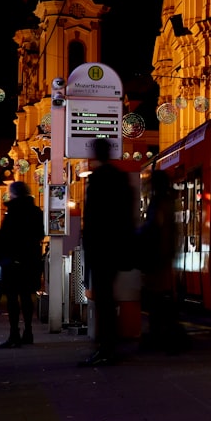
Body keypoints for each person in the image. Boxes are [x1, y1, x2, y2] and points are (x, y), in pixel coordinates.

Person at [80, 137, 135, 366]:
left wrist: (89, 247)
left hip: (101, 248)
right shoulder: (121, 179)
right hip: (116, 247)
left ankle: (105, 348)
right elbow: (127, 216)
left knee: (103, 299)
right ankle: (109, 345)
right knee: (107, 298)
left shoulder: (98, 181)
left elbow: (92, 220)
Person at [137, 170, 187, 353]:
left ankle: (159, 336)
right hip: (164, 257)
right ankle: (162, 334)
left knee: (156, 300)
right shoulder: (170, 202)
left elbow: (154, 228)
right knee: (162, 299)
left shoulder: (158, 203)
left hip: (156, 258)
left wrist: (138, 235)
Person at [0, 182, 45, 348]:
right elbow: (40, 233)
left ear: (13, 194)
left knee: (12, 298)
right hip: (31, 259)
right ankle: (29, 331)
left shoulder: (12, 213)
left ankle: (14, 333)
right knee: (26, 296)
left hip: (13, 261)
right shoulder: (36, 211)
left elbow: (6, 238)